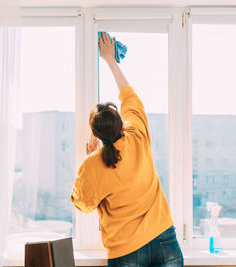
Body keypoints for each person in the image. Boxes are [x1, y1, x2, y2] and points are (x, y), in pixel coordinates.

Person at [70, 32, 183, 267]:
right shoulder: (137, 135)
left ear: (97, 136)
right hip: (163, 238)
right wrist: (110, 60)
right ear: (121, 124)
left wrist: (91, 158)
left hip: (125, 251)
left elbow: (82, 203)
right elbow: (129, 96)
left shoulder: (92, 164)